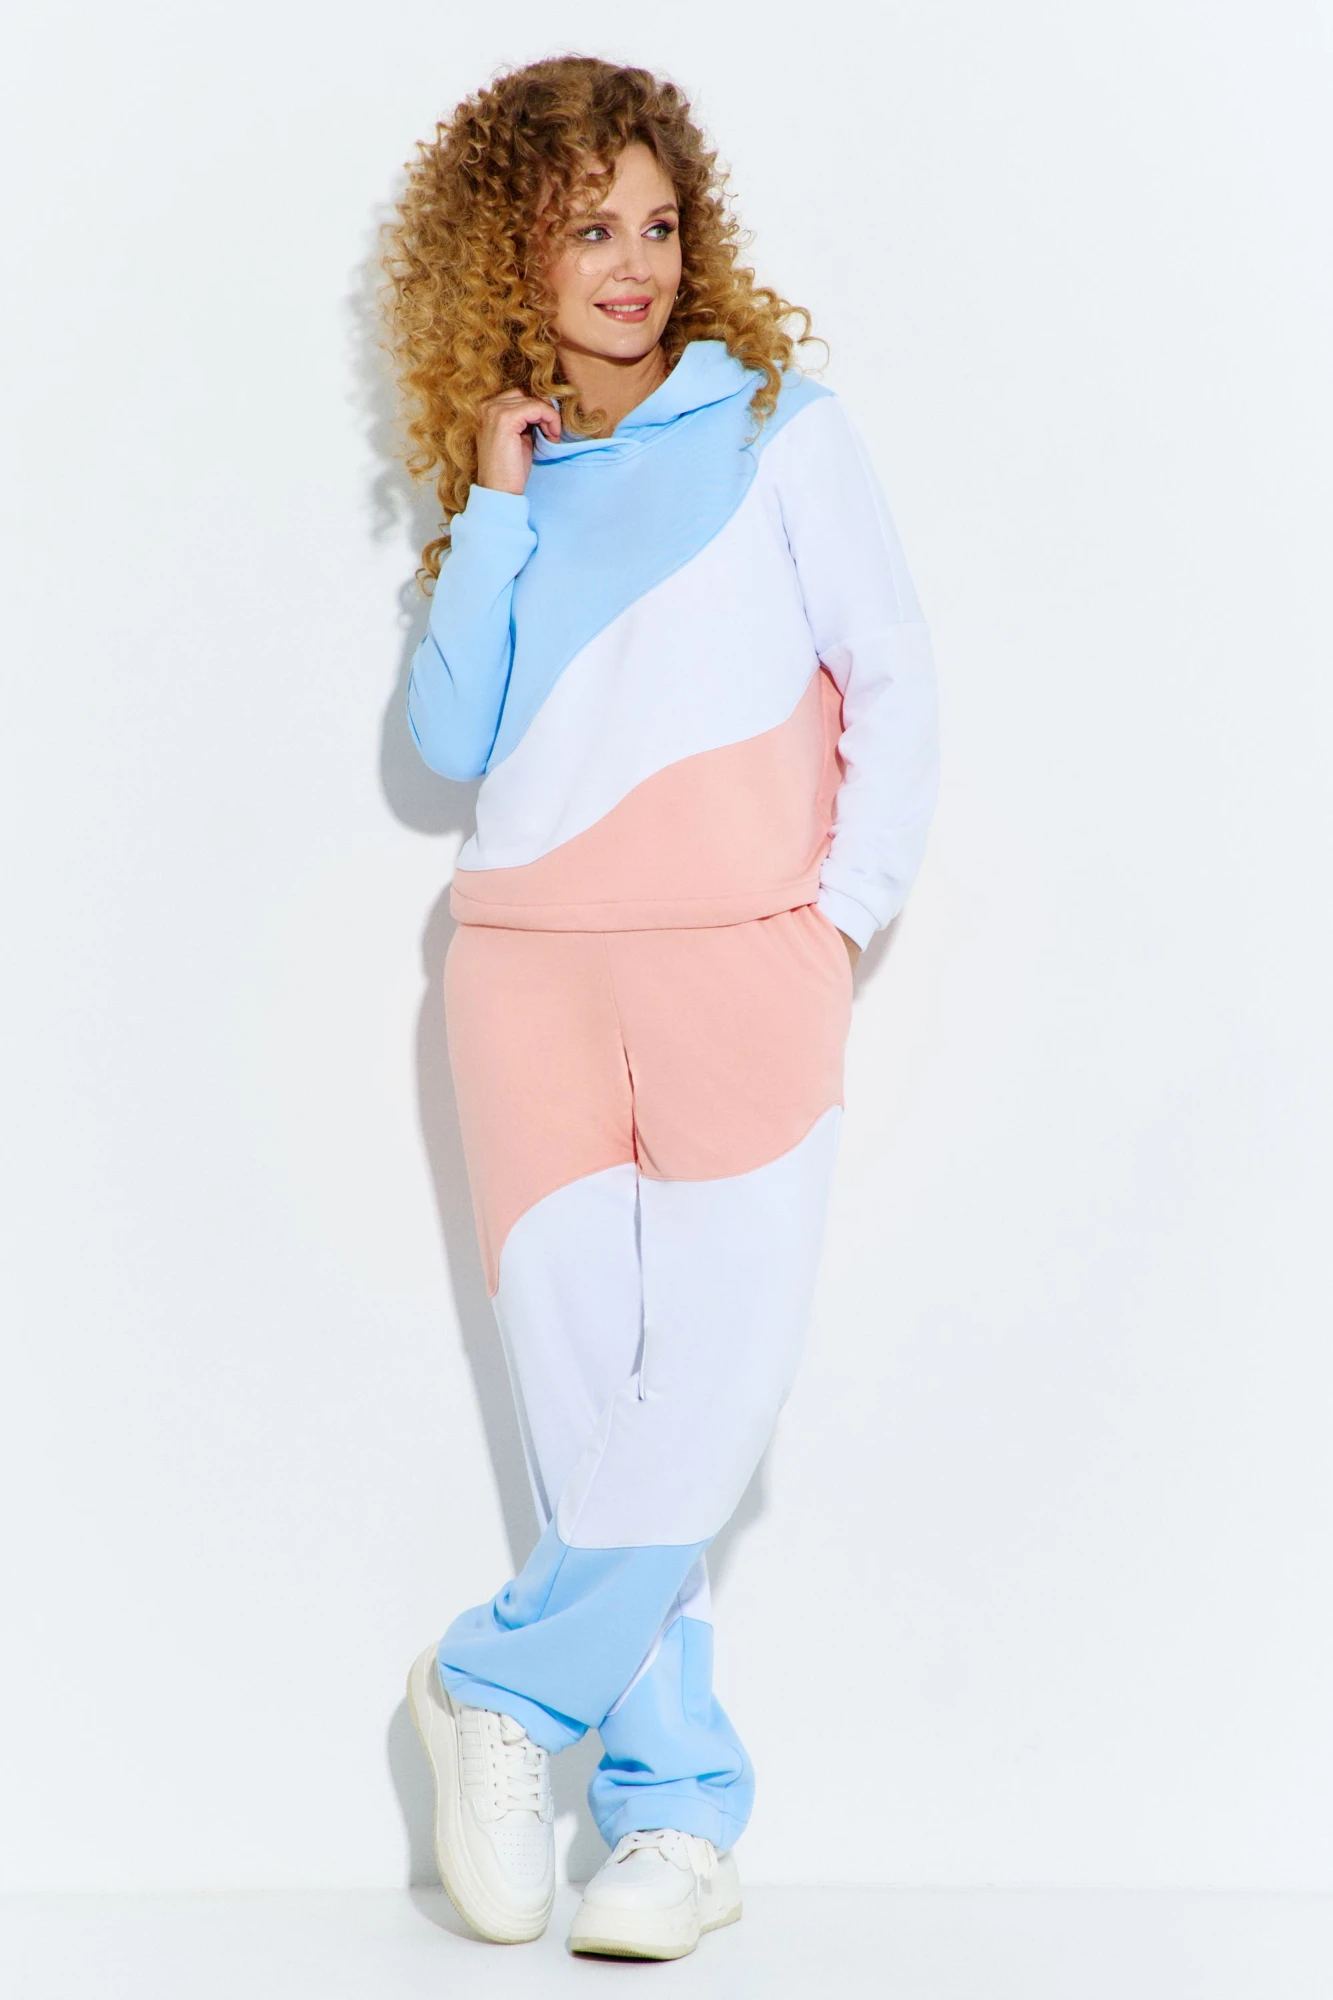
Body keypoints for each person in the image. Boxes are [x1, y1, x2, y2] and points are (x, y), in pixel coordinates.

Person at [380, 52, 938, 1961]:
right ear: (509, 259)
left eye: (659, 223)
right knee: (593, 1417)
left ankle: (496, 1687)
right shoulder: (516, 480)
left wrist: (835, 921)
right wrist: (492, 505)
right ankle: (676, 1820)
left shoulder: (781, 428)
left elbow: (896, 673)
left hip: (741, 965)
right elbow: (449, 736)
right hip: (523, 977)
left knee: (715, 1387)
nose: (633, 263)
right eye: (587, 229)